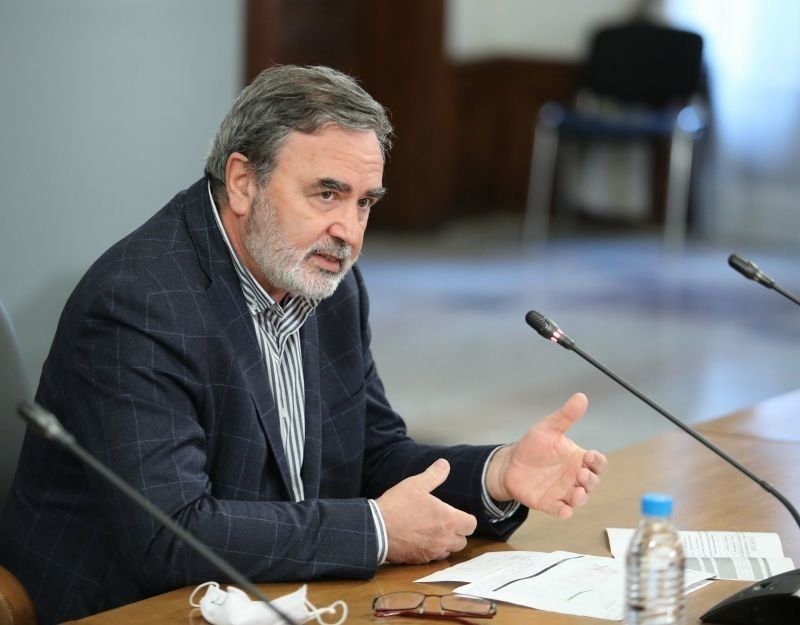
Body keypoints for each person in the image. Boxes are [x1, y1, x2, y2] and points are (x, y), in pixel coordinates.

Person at [0, 65, 607, 624]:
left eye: (364, 203)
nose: (348, 232)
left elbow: (371, 457)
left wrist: (498, 474)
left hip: (279, 594)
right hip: (130, 606)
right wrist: (375, 532)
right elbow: (171, 533)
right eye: (326, 194)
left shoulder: (325, 280)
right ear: (243, 182)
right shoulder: (138, 303)